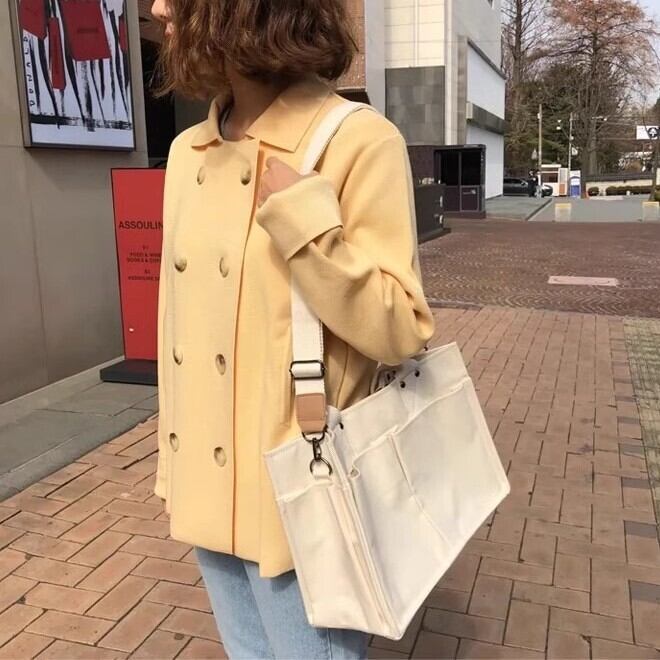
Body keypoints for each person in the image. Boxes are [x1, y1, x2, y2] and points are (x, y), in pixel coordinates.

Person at [149, 1, 435, 658]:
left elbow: (401, 328)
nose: (159, 7)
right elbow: (175, 328)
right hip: (207, 482)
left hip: (302, 490)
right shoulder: (188, 150)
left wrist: (305, 224)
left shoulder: (356, 140)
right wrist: (173, 463)